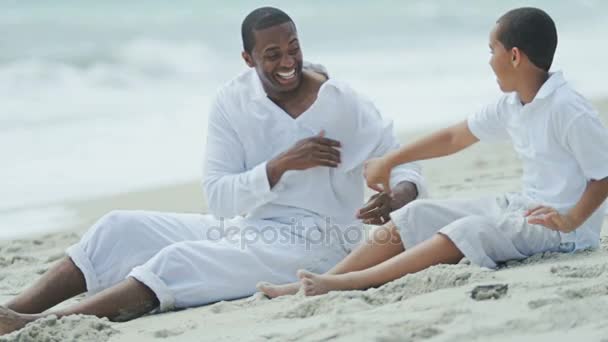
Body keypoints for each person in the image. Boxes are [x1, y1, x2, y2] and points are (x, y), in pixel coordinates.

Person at [0, 7, 426, 335]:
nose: (288, 61)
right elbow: (219, 199)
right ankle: (15, 309)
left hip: (322, 247)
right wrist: (278, 166)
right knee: (118, 227)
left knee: (179, 259)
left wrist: (400, 194)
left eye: (293, 47)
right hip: (250, 227)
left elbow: (401, 158)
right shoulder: (231, 103)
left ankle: (33, 324)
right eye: (272, 54)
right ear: (248, 58)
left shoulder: (341, 101)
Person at [259, 7, 608, 298]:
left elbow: (603, 174)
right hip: (523, 207)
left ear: (514, 56)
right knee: (419, 213)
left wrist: (572, 220)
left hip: (563, 231)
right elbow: (454, 137)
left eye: (492, 50)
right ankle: (307, 283)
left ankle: (346, 283)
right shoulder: (514, 105)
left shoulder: (567, 108)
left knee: (470, 229)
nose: (489, 61)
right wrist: (390, 161)